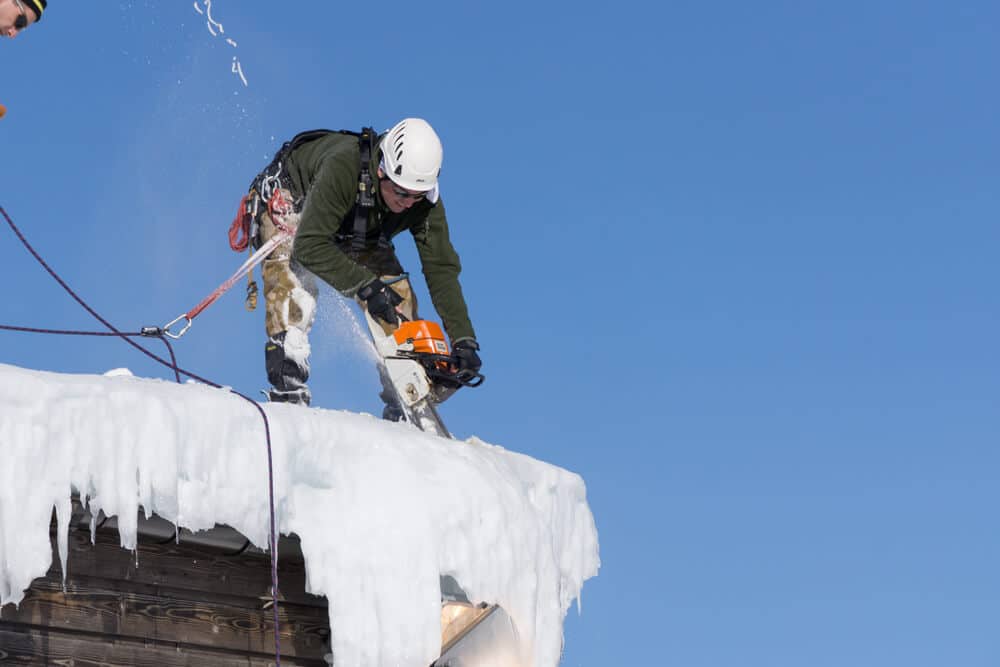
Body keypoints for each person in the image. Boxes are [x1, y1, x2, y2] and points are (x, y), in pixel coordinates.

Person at [245, 118, 481, 407]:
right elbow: (309, 246)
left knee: (396, 296)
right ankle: (289, 379)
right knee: (294, 282)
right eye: (401, 192)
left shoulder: (424, 204)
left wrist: (463, 339)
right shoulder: (344, 168)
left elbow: (441, 269)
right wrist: (364, 286)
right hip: (294, 204)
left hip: (357, 227)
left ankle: (406, 386)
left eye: (416, 196)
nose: (408, 203)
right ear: (382, 170)